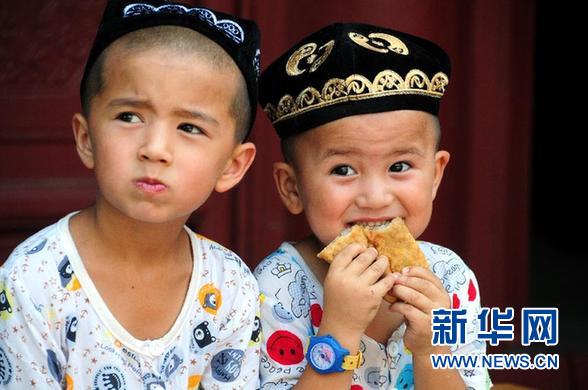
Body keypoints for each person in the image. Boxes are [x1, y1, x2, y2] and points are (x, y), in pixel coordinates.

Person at [0, 0, 262, 388]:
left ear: (231, 166)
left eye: (189, 127)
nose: (155, 148)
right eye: (129, 117)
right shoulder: (32, 282)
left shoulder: (229, 286)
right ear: (86, 139)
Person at [254, 22, 491, 389]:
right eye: (343, 169)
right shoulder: (276, 288)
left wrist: (431, 349)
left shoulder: (452, 279)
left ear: (435, 175)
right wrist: (339, 330)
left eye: (399, 167)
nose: (376, 197)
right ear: (293, 187)